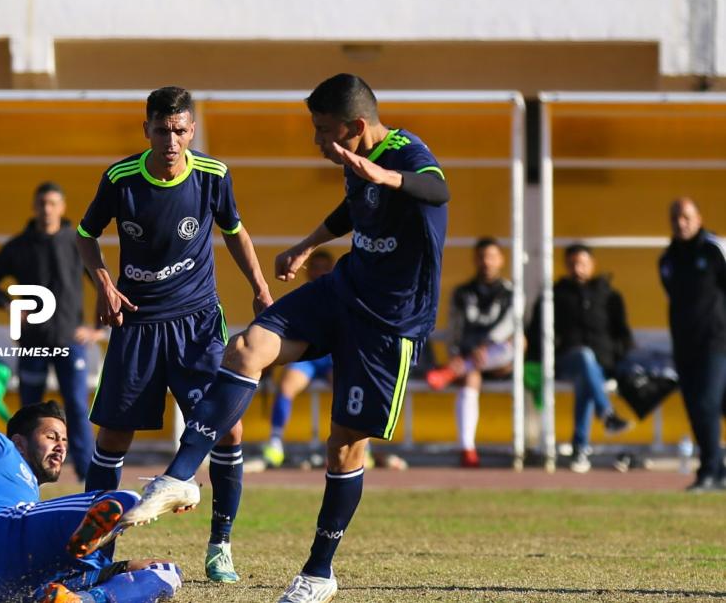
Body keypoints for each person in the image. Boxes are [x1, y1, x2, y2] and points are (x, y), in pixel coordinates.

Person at [124, 74, 450, 603]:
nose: (318, 142)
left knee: (343, 447)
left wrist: (384, 176)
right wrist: (306, 246)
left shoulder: (407, 154)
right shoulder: (355, 162)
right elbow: (353, 211)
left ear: (356, 126)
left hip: (388, 323)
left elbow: (438, 189)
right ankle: (180, 477)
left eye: (324, 132)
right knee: (247, 346)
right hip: (343, 290)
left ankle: (318, 574)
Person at [75, 86, 272, 583]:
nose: (171, 140)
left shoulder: (213, 175)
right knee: (113, 437)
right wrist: (103, 285)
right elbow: (84, 235)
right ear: (146, 131)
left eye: (180, 130)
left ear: (192, 131)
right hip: (137, 322)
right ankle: (99, 551)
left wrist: (260, 290)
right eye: (162, 130)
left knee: (229, 429)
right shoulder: (120, 179)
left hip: (197, 322)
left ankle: (220, 544)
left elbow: (235, 232)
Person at [0, 305, 183, 603]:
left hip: (3, 584)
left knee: (168, 573)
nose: (61, 446)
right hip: (6, 531)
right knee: (121, 498)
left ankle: (83, 597)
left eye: (64, 439)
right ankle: (94, 565)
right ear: (20, 442)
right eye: (51, 436)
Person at [0, 181, 101, 482]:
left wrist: (98, 328)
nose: (47, 209)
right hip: (32, 341)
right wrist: (10, 306)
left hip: (70, 341)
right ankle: (19, 473)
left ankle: (87, 475)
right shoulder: (19, 245)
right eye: (42, 203)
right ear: (34, 207)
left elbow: (103, 282)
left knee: (75, 406)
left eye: (52, 203)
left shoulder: (77, 241)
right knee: (29, 413)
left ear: (62, 207)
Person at [527, 243, 632, 473]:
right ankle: (606, 413)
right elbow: (535, 332)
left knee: (587, 376)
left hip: (602, 365)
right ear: (566, 265)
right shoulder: (554, 296)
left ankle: (580, 448)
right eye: (573, 263)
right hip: (565, 361)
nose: (578, 268)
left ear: (592, 264)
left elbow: (623, 334)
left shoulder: (608, 295)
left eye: (582, 263)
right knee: (584, 358)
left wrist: (616, 356)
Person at [424, 237, 516, 468]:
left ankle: (451, 371)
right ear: (475, 260)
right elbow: (455, 327)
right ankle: (467, 448)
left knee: (519, 342)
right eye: (483, 257)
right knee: (471, 378)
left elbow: (511, 323)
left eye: (492, 257)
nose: (487, 262)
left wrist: (486, 344)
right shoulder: (463, 291)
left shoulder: (510, 291)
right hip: (469, 359)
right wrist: (455, 353)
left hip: (499, 359)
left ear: (501, 260)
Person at [659, 198, 726, 492]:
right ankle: (718, 470)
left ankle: (710, 470)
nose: (680, 223)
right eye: (675, 217)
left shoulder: (714, 250)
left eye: (686, 217)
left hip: (717, 342)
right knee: (701, 408)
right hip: (685, 346)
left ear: (699, 218)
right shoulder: (667, 259)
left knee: (706, 404)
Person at [262, 250, 335, 469]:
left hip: (333, 357)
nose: (321, 272)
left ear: (333, 270)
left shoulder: (343, 294)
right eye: (316, 267)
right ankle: (275, 442)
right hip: (308, 357)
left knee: (348, 386)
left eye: (326, 268)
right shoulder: (303, 295)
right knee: (285, 386)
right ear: (308, 271)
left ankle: (359, 446)